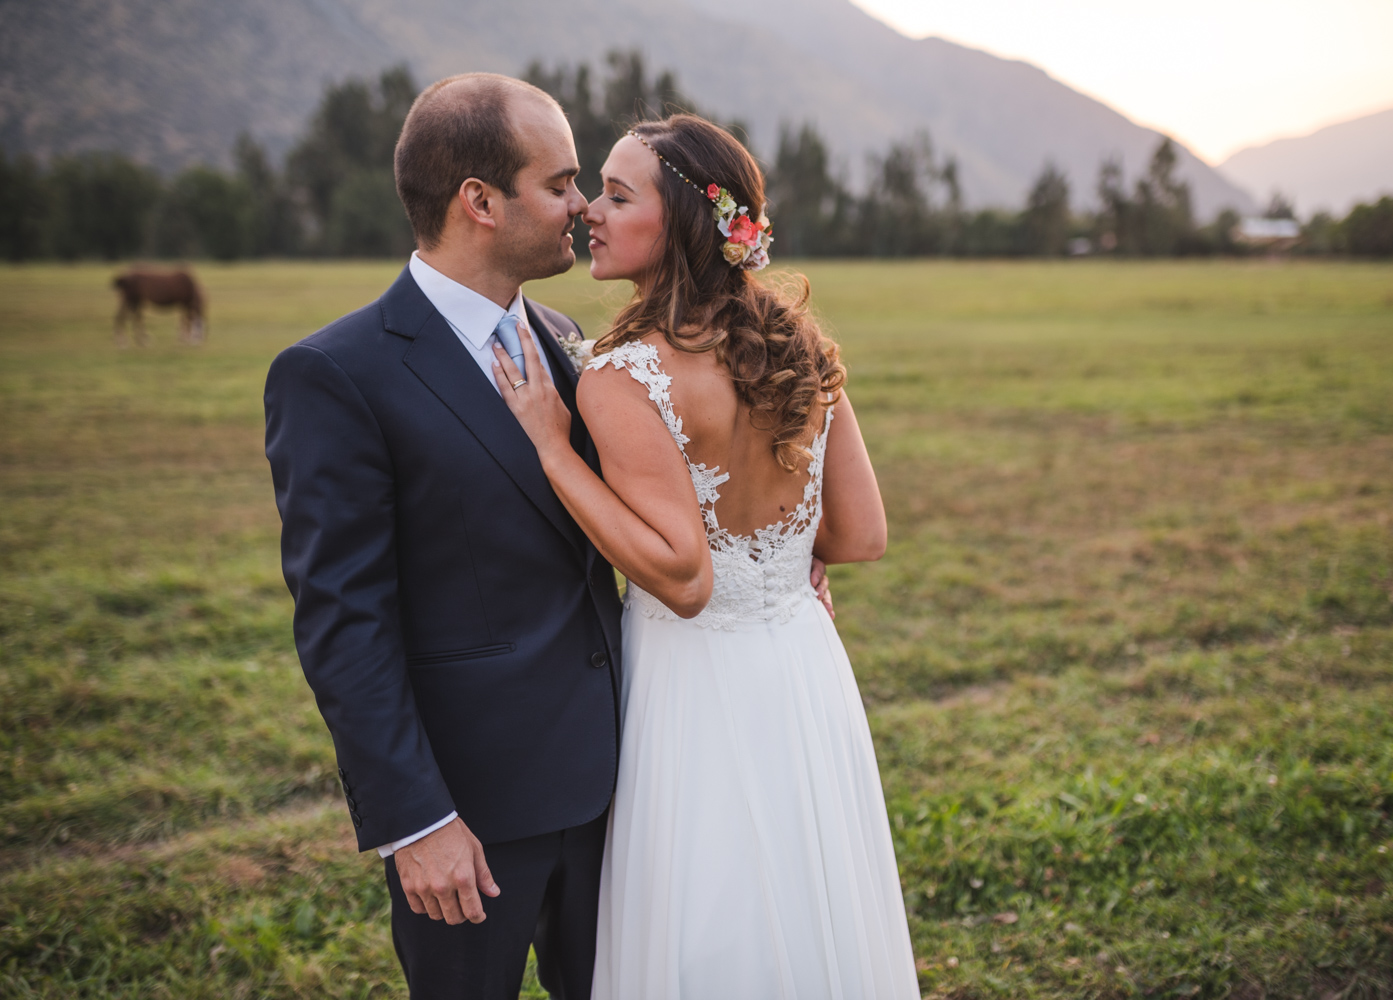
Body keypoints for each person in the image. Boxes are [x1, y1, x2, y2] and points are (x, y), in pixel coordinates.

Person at [264, 75, 832, 999]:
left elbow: (661, 509)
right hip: (474, 816)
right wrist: (419, 823)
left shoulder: (571, 339)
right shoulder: (337, 374)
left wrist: (776, 556)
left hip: (629, 785)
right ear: (479, 203)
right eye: (562, 182)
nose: (580, 205)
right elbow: (343, 625)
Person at [492, 114, 920, 998]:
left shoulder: (623, 376)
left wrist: (552, 450)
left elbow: (684, 578)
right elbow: (860, 534)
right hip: (802, 667)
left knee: (704, 920)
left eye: (616, 195)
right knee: (809, 906)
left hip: (692, 684)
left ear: (683, 221)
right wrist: (781, 555)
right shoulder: (800, 346)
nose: (589, 214)